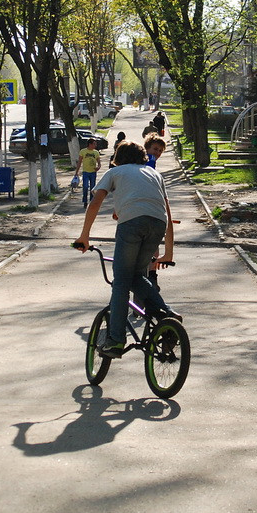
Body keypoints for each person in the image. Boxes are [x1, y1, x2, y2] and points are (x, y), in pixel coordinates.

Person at [74, 141, 178, 358]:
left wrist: (84, 236)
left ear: (117, 158)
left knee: (121, 280)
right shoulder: (153, 174)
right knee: (136, 276)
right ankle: (168, 315)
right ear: (142, 157)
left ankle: (115, 340)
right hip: (157, 224)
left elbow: (94, 204)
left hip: (131, 226)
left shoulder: (115, 172)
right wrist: (168, 252)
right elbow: (166, 211)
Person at [74, 138, 101, 207]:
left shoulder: (96, 152)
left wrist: (98, 167)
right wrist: (76, 172)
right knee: (85, 186)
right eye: (94, 144)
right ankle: (85, 201)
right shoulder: (83, 151)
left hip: (93, 172)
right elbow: (79, 162)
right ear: (90, 144)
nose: (95, 145)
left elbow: (99, 162)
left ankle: (91, 201)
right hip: (85, 172)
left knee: (92, 188)